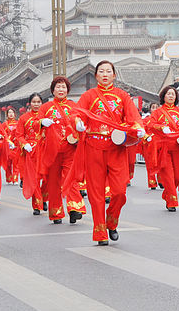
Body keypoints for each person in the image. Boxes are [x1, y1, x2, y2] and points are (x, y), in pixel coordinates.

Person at [72, 60, 145, 245]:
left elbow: (133, 117)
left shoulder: (122, 96)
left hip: (116, 148)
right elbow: (76, 113)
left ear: (114, 75)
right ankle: (100, 232)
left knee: (120, 192)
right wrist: (77, 123)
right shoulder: (89, 95)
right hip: (94, 148)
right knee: (96, 194)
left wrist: (138, 128)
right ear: (96, 75)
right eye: (101, 71)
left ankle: (111, 221)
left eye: (108, 71)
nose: (105, 74)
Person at [38, 77, 86, 224]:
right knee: (53, 182)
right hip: (51, 151)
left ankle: (75, 208)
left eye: (63, 87)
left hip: (69, 149)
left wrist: (80, 127)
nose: (61, 90)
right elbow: (36, 122)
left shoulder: (74, 106)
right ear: (53, 90)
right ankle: (56, 212)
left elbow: (80, 120)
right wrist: (41, 122)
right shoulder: (46, 108)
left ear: (67, 90)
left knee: (70, 178)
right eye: (58, 87)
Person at [148, 86, 179, 211]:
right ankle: (172, 202)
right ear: (163, 96)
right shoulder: (158, 112)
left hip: (178, 146)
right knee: (168, 175)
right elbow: (150, 124)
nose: (171, 96)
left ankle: (167, 193)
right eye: (168, 94)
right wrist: (161, 127)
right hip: (164, 147)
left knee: (178, 176)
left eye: (173, 94)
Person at [17, 93, 48, 214]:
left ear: (42, 103)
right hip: (31, 152)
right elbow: (19, 135)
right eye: (34, 102)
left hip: (44, 151)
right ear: (30, 103)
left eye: (38, 102)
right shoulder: (24, 118)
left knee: (47, 178)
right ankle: (37, 205)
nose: (36, 104)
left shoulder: (45, 117)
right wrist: (25, 144)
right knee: (34, 179)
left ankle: (44, 198)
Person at [3, 106, 20, 184]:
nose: (11, 114)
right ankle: (9, 178)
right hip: (7, 146)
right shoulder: (4, 124)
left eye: (12, 112)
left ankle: (15, 179)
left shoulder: (18, 123)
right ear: (7, 114)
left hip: (16, 146)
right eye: (9, 112)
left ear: (15, 114)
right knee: (8, 163)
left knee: (16, 163)